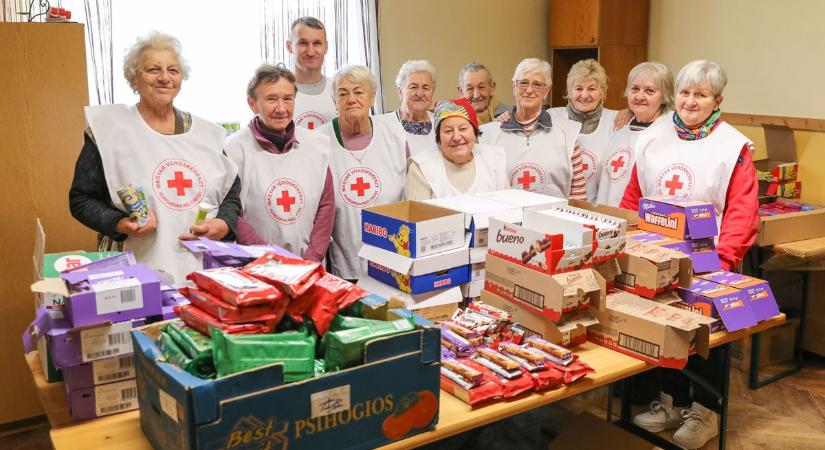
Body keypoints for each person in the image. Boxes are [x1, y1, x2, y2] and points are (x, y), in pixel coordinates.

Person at [623, 60, 758, 450]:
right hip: (655, 256)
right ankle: (670, 402)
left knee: (703, 341)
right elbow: (634, 195)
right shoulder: (653, 135)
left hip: (710, 260)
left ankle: (705, 412)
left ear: (718, 100)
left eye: (701, 94)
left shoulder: (733, 147)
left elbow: (742, 211)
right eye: (684, 92)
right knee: (665, 331)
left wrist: (723, 264)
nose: (690, 101)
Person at [69, 32, 241, 283]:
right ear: (134, 79)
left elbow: (231, 195)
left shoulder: (207, 135)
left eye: (173, 70)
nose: (164, 78)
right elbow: (81, 199)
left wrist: (223, 224)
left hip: (203, 270)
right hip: (133, 267)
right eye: (152, 69)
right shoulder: (109, 131)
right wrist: (119, 223)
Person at [225, 64, 334, 261]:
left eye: (288, 99)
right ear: (252, 103)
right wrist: (270, 258)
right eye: (271, 99)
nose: (281, 108)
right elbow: (232, 213)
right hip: (256, 264)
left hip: (308, 265)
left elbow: (326, 205)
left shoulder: (316, 145)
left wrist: (313, 258)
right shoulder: (233, 149)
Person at [316, 65, 407, 280]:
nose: (351, 99)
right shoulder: (318, 142)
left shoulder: (395, 137)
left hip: (394, 257)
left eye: (359, 91)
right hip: (344, 264)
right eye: (343, 93)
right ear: (334, 100)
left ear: (372, 97)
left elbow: (410, 197)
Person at [479, 58, 583, 199]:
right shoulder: (488, 135)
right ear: (513, 87)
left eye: (537, 84)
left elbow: (578, 195)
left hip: (554, 220)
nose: (529, 90)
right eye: (523, 83)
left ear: (546, 91)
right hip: (504, 219)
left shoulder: (567, 135)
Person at [594, 62, 674, 207]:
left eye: (649, 91)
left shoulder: (669, 130)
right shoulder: (619, 124)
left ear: (664, 96)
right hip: (605, 215)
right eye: (635, 89)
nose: (640, 96)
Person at [547, 59, 619, 204]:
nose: (584, 95)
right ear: (569, 91)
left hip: (600, 211)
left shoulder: (616, 121)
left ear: (603, 91)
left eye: (592, 89)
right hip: (556, 208)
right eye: (578, 88)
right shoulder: (551, 118)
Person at [406, 99, 507, 200]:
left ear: (474, 132)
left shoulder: (495, 159)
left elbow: (508, 209)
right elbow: (418, 214)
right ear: (439, 136)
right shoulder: (421, 168)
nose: (456, 137)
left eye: (463, 129)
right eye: (448, 131)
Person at [373, 60, 437, 156]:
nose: (420, 94)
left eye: (426, 88)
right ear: (400, 92)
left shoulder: (441, 123)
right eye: (413, 87)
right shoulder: (382, 126)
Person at [286, 16, 336, 129]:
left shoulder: (339, 90)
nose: (310, 52)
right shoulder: (278, 92)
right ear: (289, 47)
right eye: (303, 43)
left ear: (326, 47)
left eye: (317, 43)